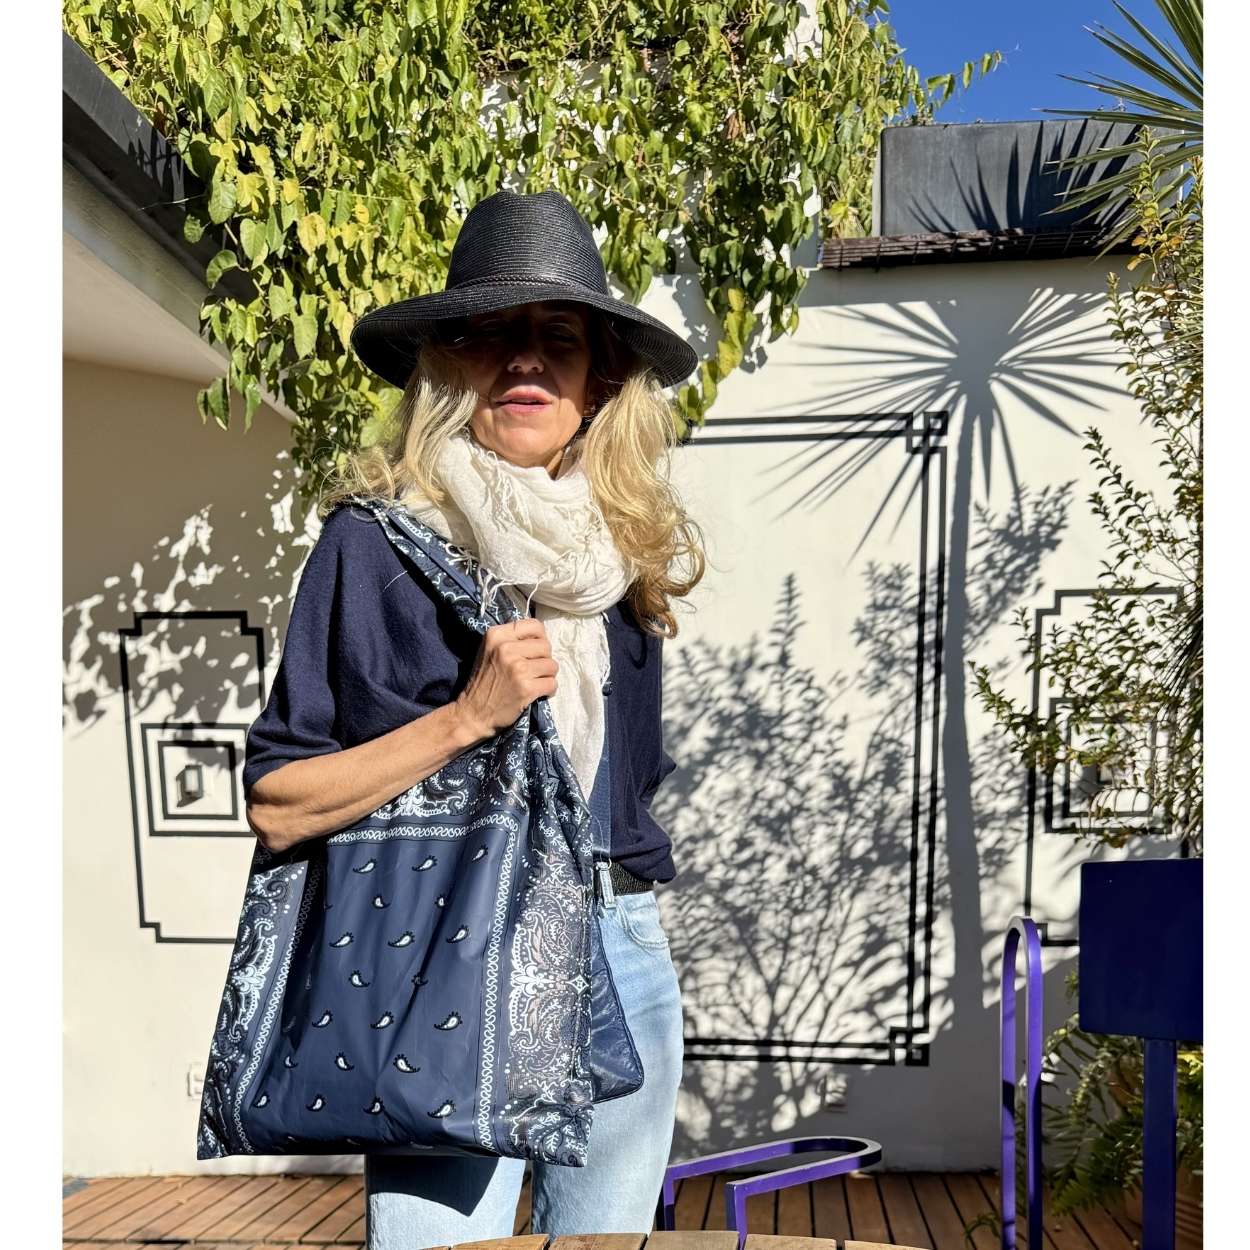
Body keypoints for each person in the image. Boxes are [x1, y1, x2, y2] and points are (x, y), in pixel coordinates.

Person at [241, 189, 707, 1248]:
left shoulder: (624, 565)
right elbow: (279, 803)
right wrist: (465, 717)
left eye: (559, 338)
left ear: (599, 384)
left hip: (620, 937)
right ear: (446, 365)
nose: (526, 361)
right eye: (492, 334)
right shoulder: (374, 547)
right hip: (444, 944)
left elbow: (631, 792)